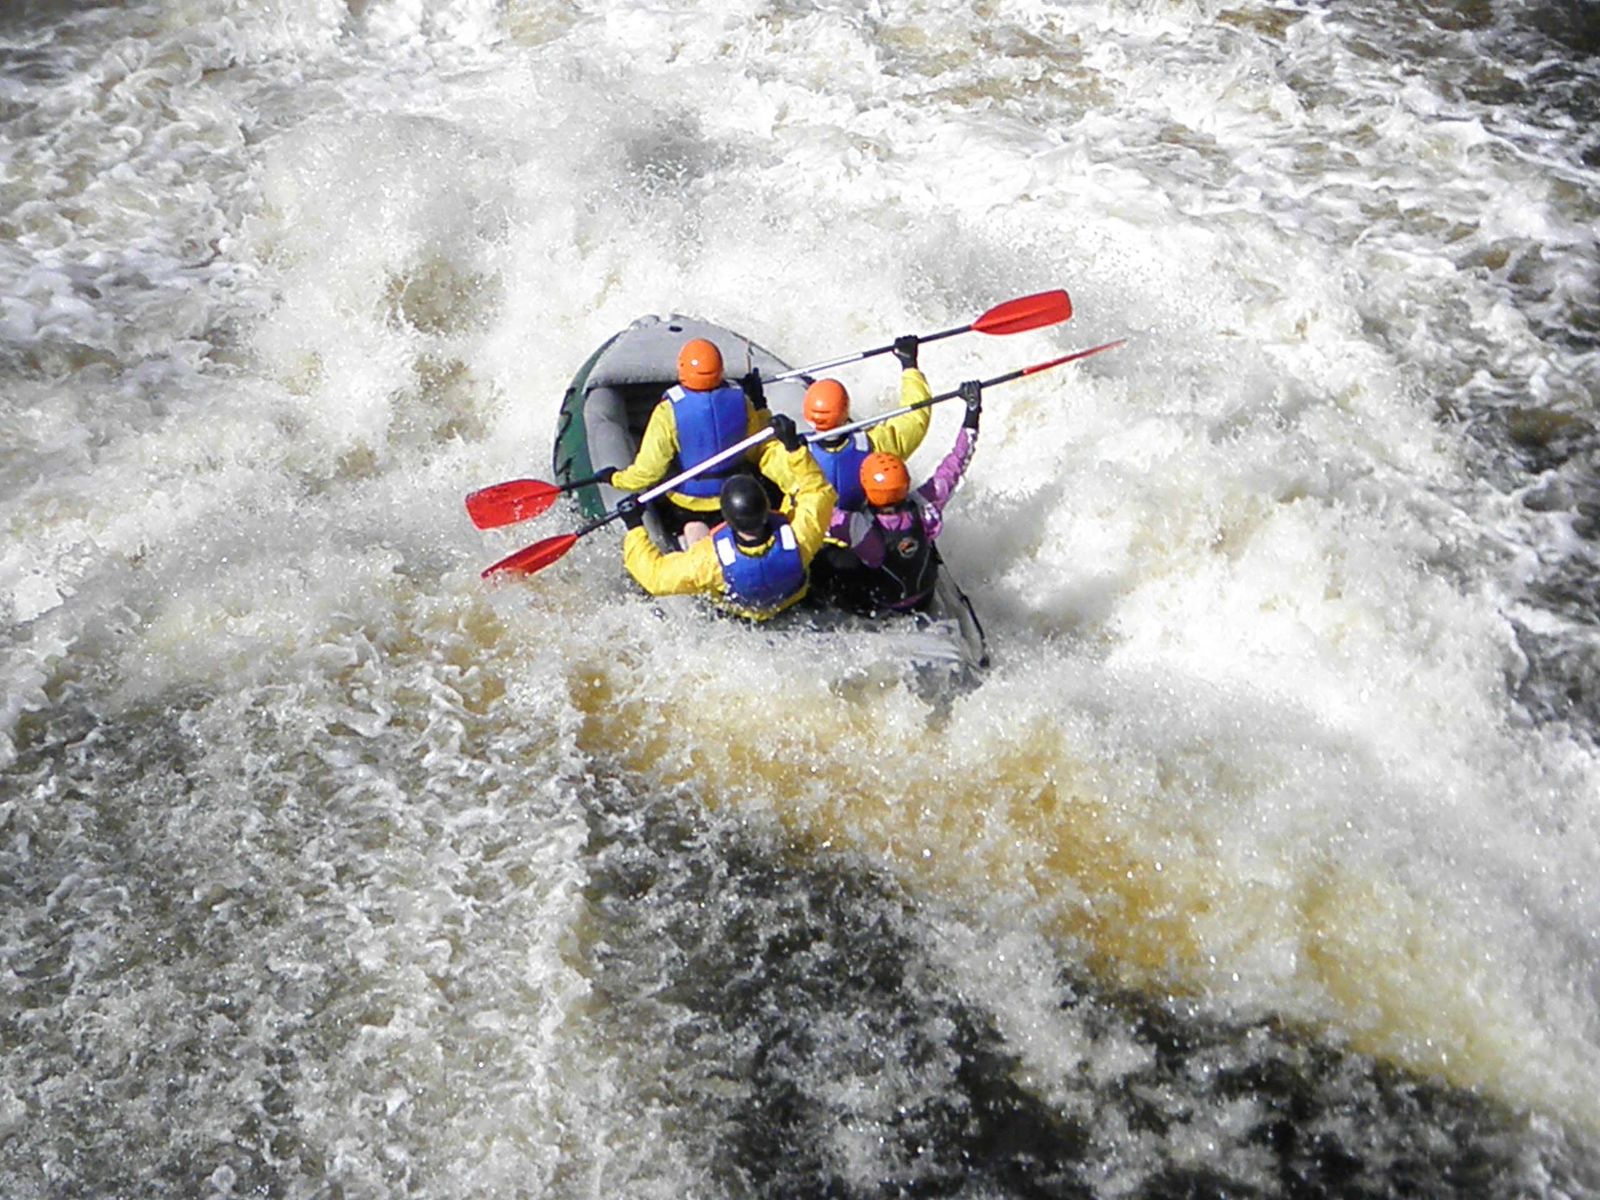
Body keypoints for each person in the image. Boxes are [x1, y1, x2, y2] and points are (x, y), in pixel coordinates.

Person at [619, 414, 837, 621]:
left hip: (739, 614)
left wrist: (635, 526)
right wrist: (794, 449)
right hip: (790, 600)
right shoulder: (802, 536)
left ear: (727, 520)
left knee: (693, 528)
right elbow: (818, 491)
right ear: (767, 506)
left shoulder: (710, 561)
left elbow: (655, 577)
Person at [603, 337, 794, 547]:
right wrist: (761, 407)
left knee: (670, 510)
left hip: (686, 504)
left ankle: (689, 536)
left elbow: (649, 473)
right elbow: (757, 449)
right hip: (735, 498)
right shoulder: (743, 401)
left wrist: (615, 478)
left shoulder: (667, 412)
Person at [816, 380, 982, 616]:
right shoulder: (926, 505)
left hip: (882, 603)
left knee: (824, 559)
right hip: (924, 597)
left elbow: (815, 516)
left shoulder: (859, 526)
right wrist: (972, 414)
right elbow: (957, 462)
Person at [802, 335, 933, 518]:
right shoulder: (875, 446)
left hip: (809, 529)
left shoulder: (794, 454)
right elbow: (916, 418)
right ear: (846, 411)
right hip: (861, 527)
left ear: (807, 415)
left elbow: (764, 454)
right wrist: (909, 366)